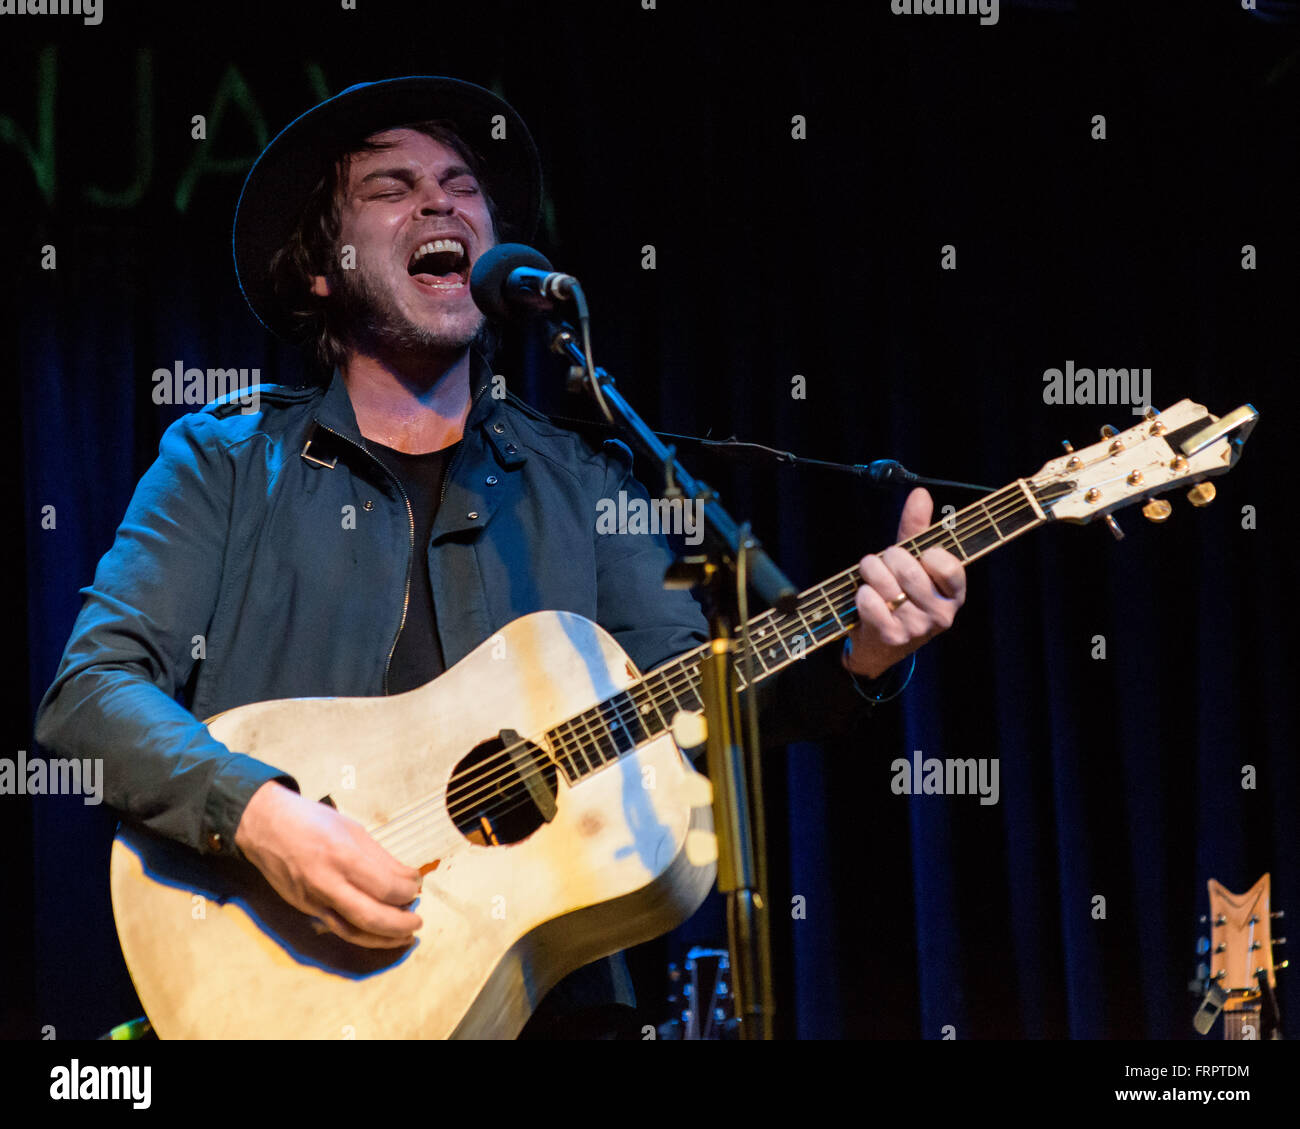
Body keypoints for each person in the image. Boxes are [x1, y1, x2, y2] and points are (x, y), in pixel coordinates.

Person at [34, 76, 967, 1039]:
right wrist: (264, 815)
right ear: (322, 267)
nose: (439, 200)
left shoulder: (588, 476)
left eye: (460, 184)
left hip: (548, 1008)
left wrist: (860, 653)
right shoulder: (223, 462)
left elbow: (691, 698)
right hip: (276, 986)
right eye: (390, 187)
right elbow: (92, 691)